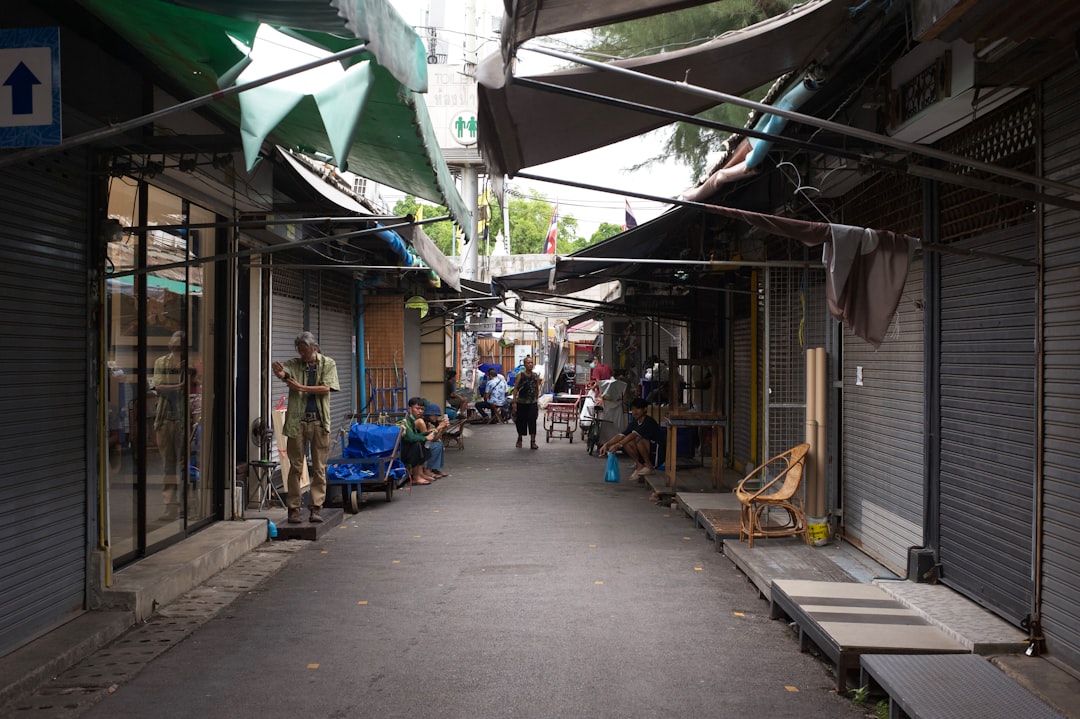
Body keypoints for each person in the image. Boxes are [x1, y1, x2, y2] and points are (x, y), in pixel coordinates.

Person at [272, 331, 339, 524]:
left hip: (319, 421)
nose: (301, 353)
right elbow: (285, 373)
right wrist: (280, 373)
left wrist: (301, 388)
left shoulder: (328, 363)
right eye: (299, 350)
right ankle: (293, 508)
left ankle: (316, 507)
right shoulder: (295, 363)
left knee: (319, 467)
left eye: (305, 349)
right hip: (297, 422)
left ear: (314, 348)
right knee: (295, 467)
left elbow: (326, 388)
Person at [150, 331, 189, 521]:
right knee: (168, 465)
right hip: (165, 419)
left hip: (182, 420)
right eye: (172, 346)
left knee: (184, 464)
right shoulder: (161, 362)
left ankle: (186, 504)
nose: (175, 350)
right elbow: (158, 387)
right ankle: (170, 506)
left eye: (178, 347)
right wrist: (179, 386)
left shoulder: (189, 364)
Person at [598, 398, 666, 480]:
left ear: (645, 409)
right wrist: (607, 444)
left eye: (638, 409)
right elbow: (621, 435)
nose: (635, 411)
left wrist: (618, 445)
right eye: (633, 409)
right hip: (647, 451)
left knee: (639, 441)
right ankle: (639, 465)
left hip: (658, 453)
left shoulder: (648, 422)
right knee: (627, 442)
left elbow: (633, 435)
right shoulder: (635, 423)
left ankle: (649, 466)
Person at [401, 397, 438, 485]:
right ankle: (416, 476)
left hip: (407, 448)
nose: (420, 411)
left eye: (422, 409)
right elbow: (410, 438)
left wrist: (426, 434)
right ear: (410, 409)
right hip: (402, 450)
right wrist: (425, 437)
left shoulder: (412, 420)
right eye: (417, 408)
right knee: (417, 445)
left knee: (424, 444)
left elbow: (416, 435)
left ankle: (420, 473)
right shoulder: (405, 421)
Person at [510, 355, 542, 449]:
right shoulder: (520, 375)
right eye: (528, 363)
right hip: (521, 402)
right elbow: (515, 388)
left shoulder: (535, 376)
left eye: (531, 362)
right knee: (521, 421)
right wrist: (514, 402)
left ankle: (533, 442)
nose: (530, 364)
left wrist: (537, 401)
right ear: (524, 364)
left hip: (532, 402)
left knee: (532, 421)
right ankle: (519, 438)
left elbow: (536, 389)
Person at [417, 402, 451, 479]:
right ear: (429, 414)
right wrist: (439, 427)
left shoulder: (429, 423)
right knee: (436, 446)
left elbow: (435, 438)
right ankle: (428, 470)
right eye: (435, 415)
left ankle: (434, 468)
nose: (436, 417)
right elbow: (429, 438)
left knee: (439, 444)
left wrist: (443, 429)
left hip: (425, 443)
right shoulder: (421, 422)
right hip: (420, 444)